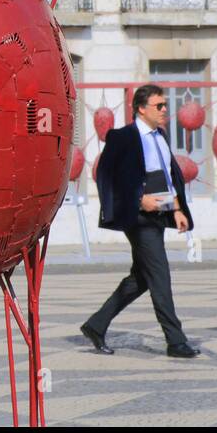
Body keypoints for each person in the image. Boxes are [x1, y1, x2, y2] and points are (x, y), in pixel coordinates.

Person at [82, 84, 199, 358]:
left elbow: (168, 176)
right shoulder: (123, 137)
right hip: (138, 218)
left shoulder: (160, 136)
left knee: (141, 278)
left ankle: (96, 325)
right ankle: (176, 341)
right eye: (159, 106)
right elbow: (106, 177)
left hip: (159, 213)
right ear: (141, 108)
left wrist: (177, 208)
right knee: (159, 275)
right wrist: (137, 200)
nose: (164, 111)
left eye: (165, 106)